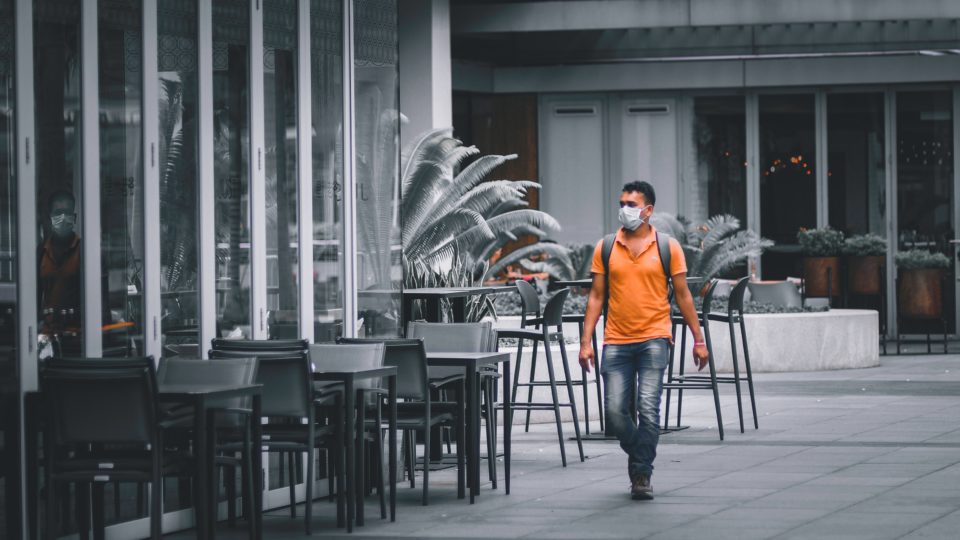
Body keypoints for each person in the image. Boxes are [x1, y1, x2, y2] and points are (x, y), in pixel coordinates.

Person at [578, 181, 708, 500]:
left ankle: (641, 474)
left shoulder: (667, 247)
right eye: (621, 202)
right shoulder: (606, 247)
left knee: (648, 410)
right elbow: (596, 296)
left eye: (631, 204)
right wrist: (586, 341)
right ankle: (641, 455)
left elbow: (683, 296)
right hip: (616, 341)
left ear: (648, 210)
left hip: (655, 338)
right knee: (614, 413)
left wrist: (698, 338)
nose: (625, 209)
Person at [38, 189, 82, 335]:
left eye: (67, 212)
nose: (63, 218)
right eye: (58, 213)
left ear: (74, 217)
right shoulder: (42, 251)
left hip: (78, 334)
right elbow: (35, 295)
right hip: (48, 333)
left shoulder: (84, 250)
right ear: (50, 217)